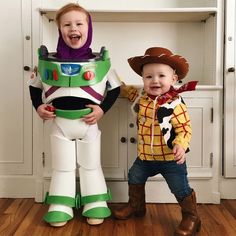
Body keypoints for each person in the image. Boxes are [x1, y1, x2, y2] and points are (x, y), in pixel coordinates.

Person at [29, 3, 121, 227]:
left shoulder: (102, 63)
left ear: (88, 28)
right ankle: (61, 204)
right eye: (67, 24)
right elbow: (34, 86)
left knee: (91, 165)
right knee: (62, 166)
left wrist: (102, 109)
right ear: (60, 30)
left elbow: (115, 88)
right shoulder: (46, 63)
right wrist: (38, 107)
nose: (73, 28)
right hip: (59, 123)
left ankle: (95, 203)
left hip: (88, 123)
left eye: (79, 23)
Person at [113, 47, 201, 236]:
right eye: (148, 77)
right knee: (134, 175)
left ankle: (191, 216)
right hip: (145, 157)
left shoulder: (175, 104)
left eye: (161, 75)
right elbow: (127, 91)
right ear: (143, 79)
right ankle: (136, 206)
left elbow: (185, 129)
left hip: (170, 158)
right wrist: (115, 82)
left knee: (179, 187)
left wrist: (180, 144)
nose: (155, 81)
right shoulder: (141, 98)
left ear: (173, 79)